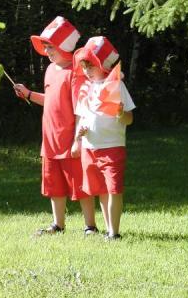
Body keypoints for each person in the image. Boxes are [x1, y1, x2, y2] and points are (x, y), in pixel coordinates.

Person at [14, 16, 97, 236]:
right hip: (49, 139)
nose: (48, 51)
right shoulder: (50, 70)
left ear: (64, 47)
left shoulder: (75, 72)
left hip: (70, 138)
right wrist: (29, 94)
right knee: (54, 185)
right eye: (46, 47)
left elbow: (80, 108)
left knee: (80, 184)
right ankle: (57, 224)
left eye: (51, 46)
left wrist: (77, 139)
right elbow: (50, 99)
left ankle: (90, 225)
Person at [71, 36, 135, 241]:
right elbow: (82, 117)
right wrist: (77, 140)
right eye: (84, 66)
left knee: (113, 189)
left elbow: (129, 119)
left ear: (103, 66)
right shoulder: (85, 88)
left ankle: (114, 233)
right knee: (100, 190)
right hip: (90, 147)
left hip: (112, 147)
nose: (86, 70)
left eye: (91, 65)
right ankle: (109, 229)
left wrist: (119, 113)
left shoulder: (116, 86)